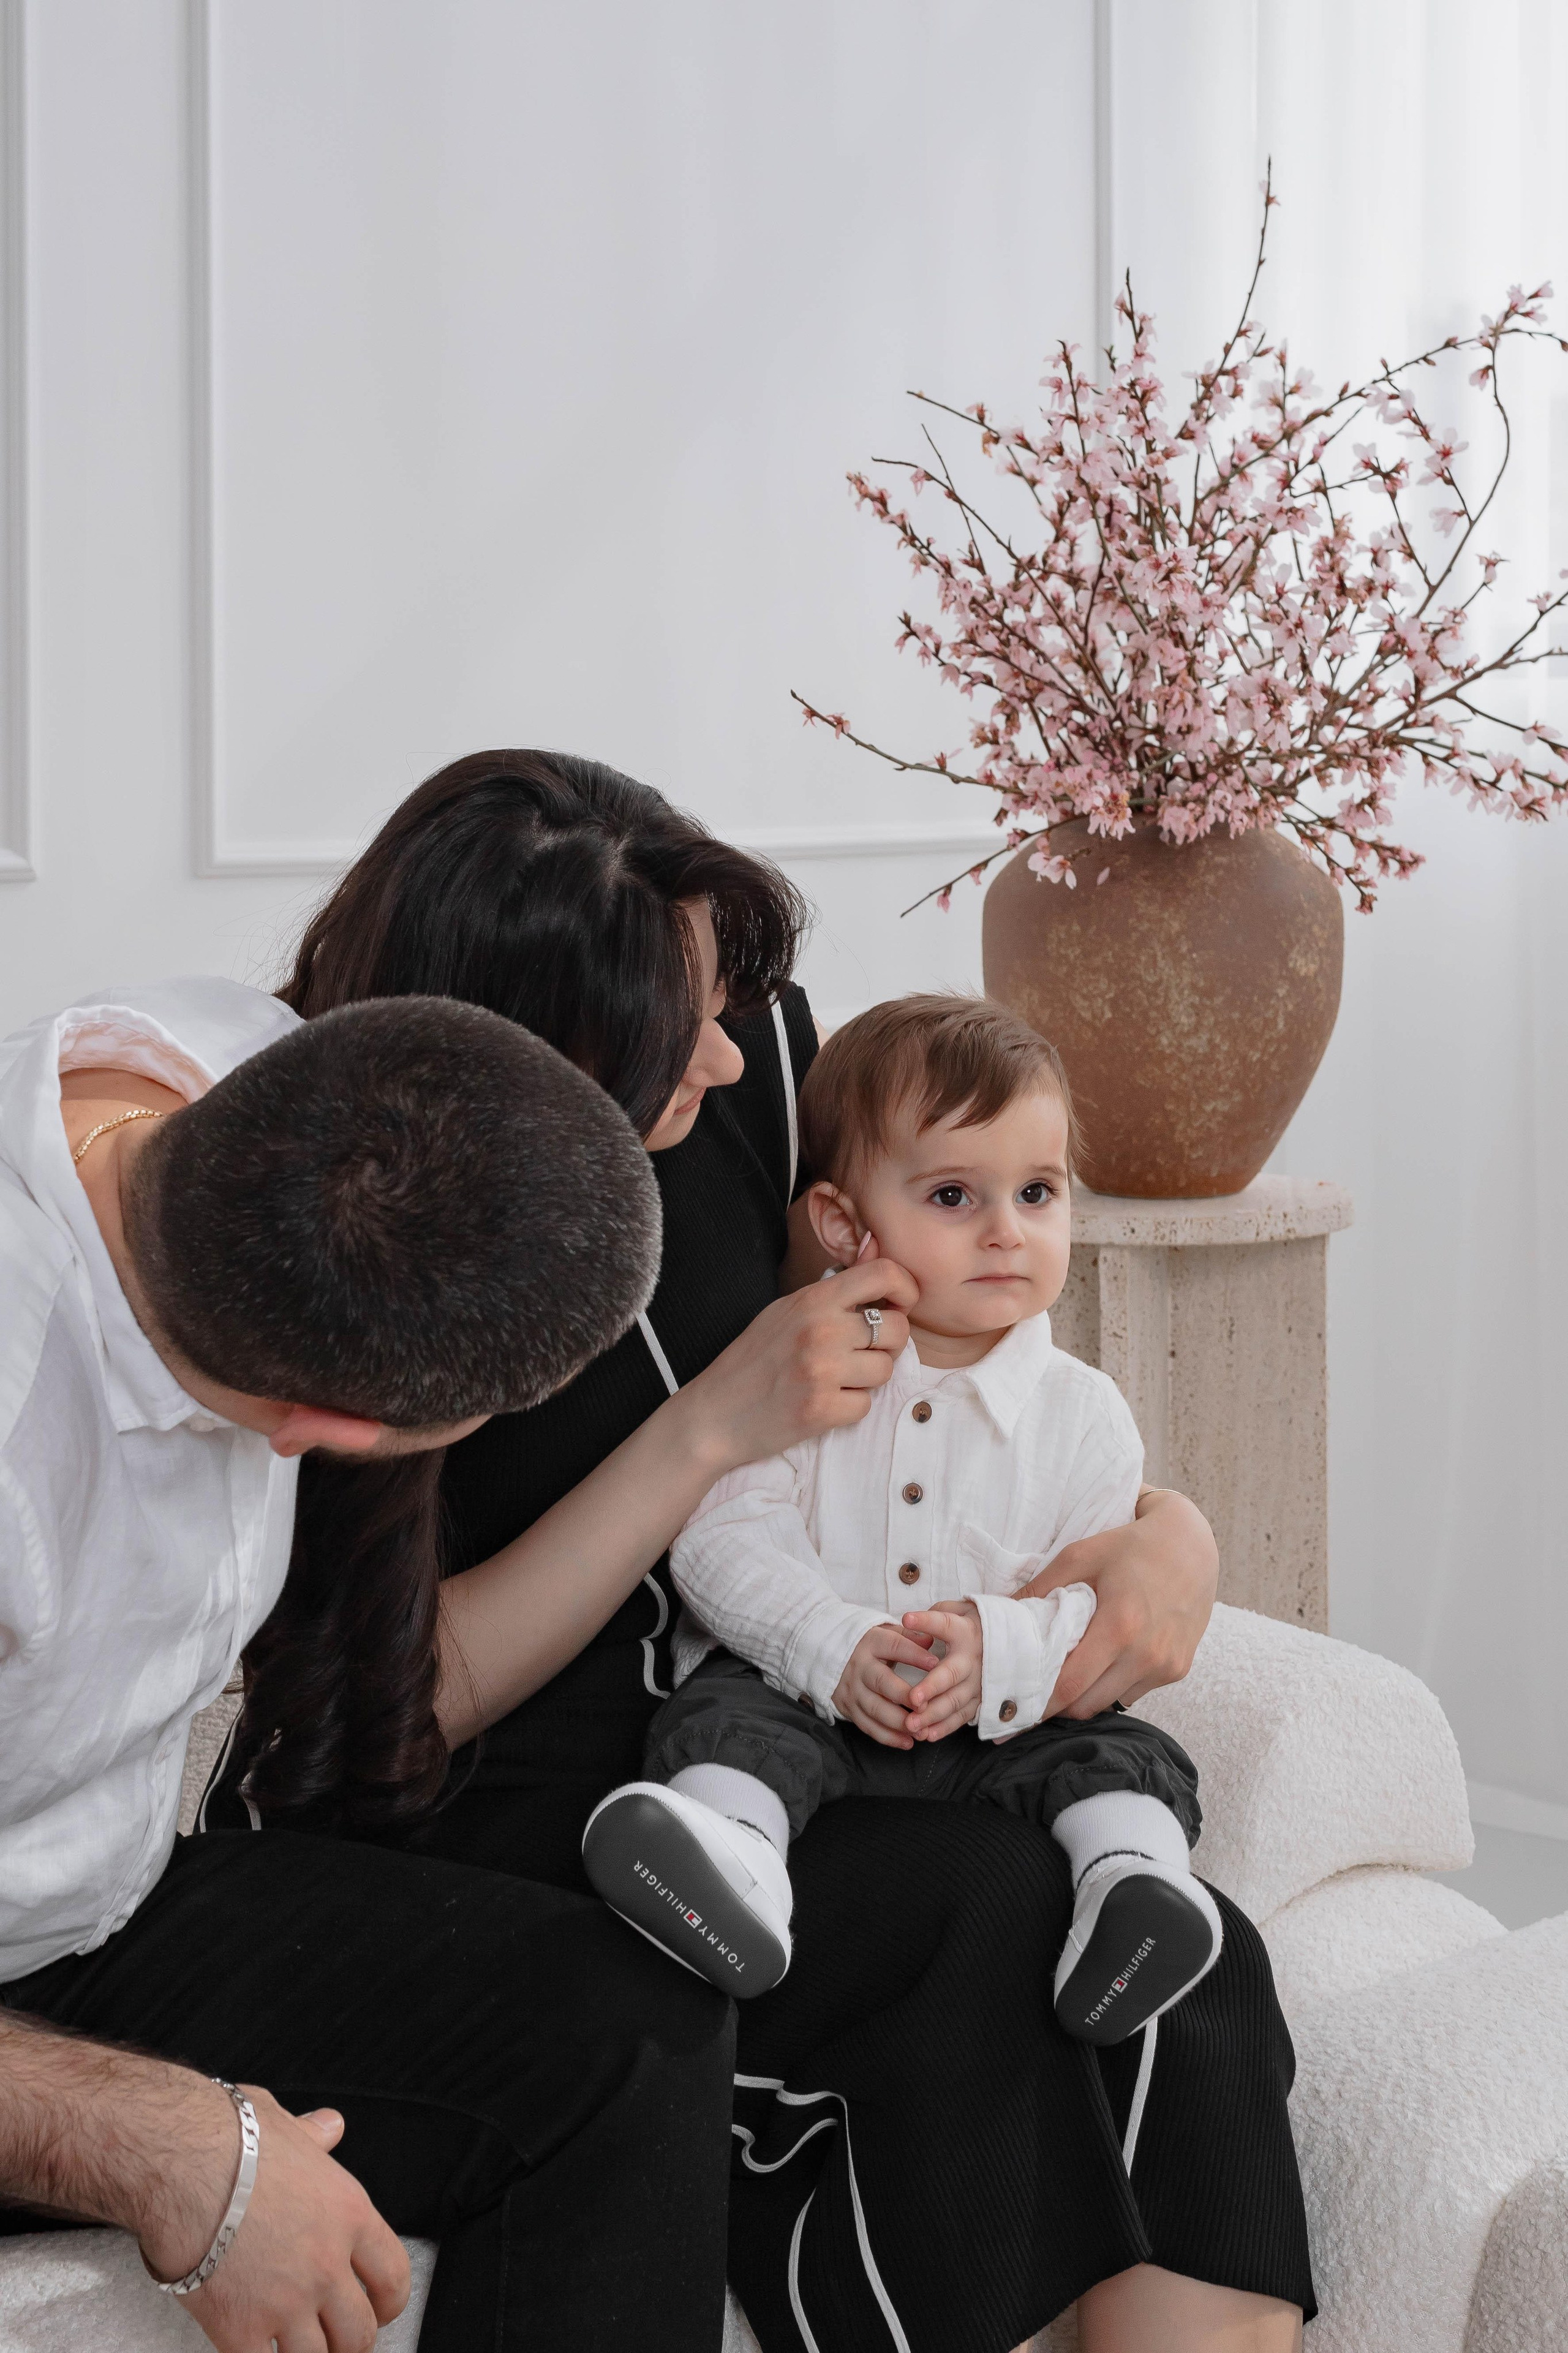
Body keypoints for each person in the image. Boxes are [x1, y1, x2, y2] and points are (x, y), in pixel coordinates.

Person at [217, 748, 1313, 2353]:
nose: (734, 1056)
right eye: (682, 1028)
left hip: (808, 1684)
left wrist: (1167, 1538)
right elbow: (390, 1717)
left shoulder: (747, 1075)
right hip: (558, 1805)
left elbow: (951, 1336)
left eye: (730, 998)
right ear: (530, 1058)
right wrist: (704, 1435)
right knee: (996, 1907)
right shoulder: (347, 1226)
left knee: (1188, 1967)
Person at [0, 981, 744, 2353]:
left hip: (79, 1901)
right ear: (328, 1430)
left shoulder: (225, 1068)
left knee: (626, 2029)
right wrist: (178, 2151)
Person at [582, 994, 1224, 2046]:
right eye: (954, 1195)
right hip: (816, 1699)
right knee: (719, 1722)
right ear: (845, 1224)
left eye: (1036, 1191)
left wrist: (1002, 1651)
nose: (1007, 1230)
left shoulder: (1083, 1413)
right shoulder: (807, 1365)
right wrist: (833, 1646)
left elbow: (1092, 1593)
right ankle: (735, 1873)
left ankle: (1131, 1888)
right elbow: (721, 1537)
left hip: (1000, 1721)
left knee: (1122, 1754)